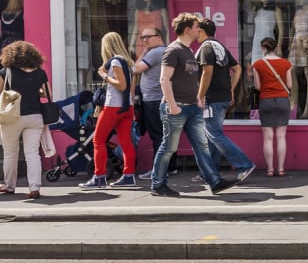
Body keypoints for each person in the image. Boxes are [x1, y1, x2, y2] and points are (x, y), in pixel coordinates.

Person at [149, 12, 239, 197]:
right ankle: (158, 184)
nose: (199, 30)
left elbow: (190, 79)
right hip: (176, 108)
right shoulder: (173, 50)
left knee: (202, 146)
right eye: (197, 27)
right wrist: (173, 106)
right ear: (187, 29)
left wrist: (198, 99)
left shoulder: (189, 51)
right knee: (168, 148)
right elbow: (164, 79)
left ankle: (214, 181)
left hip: (192, 107)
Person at [195, 18, 255, 185]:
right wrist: (230, 89)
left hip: (212, 98)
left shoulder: (206, 47)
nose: (194, 34)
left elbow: (207, 71)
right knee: (211, 135)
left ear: (201, 31)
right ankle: (210, 172)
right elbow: (237, 69)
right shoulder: (219, 46)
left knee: (214, 134)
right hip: (222, 97)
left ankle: (244, 164)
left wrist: (200, 95)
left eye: (196, 30)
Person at [79, 32, 137, 189]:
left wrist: (104, 76)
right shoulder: (130, 63)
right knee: (126, 142)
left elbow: (122, 85)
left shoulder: (116, 62)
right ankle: (129, 176)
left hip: (113, 106)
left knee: (98, 140)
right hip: (128, 107)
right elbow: (131, 90)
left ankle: (99, 177)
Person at [0, 39, 53, 198]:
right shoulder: (40, 73)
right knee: (32, 153)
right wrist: (33, 90)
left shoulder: (6, 72)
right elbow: (47, 94)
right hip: (35, 117)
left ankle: (10, 186)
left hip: (12, 117)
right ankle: (34, 188)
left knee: (10, 152)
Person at [251, 37, 292, 176]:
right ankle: (281, 169)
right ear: (275, 47)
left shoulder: (258, 64)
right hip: (282, 100)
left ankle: (270, 169)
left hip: (266, 101)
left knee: (268, 138)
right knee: (281, 137)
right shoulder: (286, 63)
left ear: (263, 48)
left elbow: (257, 87)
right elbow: (290, 85)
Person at [131, 25, 167, 177]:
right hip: (159, 98)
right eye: (142, 37)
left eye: (148, 37)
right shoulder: (162, 51)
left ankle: (158, 170)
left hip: (153, 99)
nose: (145, 40)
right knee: (165, 134)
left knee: (157, 135)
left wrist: (145, 51)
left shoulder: (156, 52)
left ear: (159, 37)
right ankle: (169, 168)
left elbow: (135, 69)